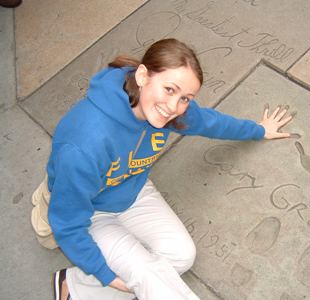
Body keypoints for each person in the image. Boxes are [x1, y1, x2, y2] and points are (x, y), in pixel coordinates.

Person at [46, 38, 293, 300]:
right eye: (169, 89)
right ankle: (109, 280)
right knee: (150, 278)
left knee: (180, 256)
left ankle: (75, 285)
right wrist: (105, 275)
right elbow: (68, 223)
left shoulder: (170, 111)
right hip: (91, 211)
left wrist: (259, 130)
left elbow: (211, 122)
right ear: (142, 76)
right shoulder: (85, 143)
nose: (174, 107)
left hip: (133, 189)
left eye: (185, 98)